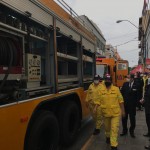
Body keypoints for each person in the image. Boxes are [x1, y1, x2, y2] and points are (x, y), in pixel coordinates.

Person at [99, 74, 125, 150]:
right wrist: (97, 109)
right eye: (106, 80)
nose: (107, 81)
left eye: (109, 80)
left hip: (115, 114)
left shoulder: (116, 89)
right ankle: (107, 136)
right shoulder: (101, 90)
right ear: (104, 81)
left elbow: (121, 100)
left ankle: (113, 145)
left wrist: (123, 110)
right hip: (105, 113)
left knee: (114, 129)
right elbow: (99, 101)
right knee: (107, 128)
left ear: (111, 81)